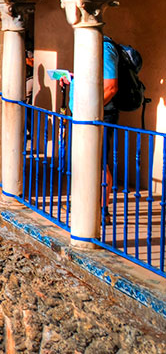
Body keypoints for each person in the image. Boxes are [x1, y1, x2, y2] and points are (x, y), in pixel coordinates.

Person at [59, 36, 120, 223]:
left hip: (97, 117)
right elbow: (94, 78)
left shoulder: (105, 48)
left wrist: (90, 111)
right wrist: (72, 78)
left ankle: (103, 210)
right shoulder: (89, 47)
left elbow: (111, 87)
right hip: (82, 117)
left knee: (100, 163)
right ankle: (84, 203)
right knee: (85, 160)